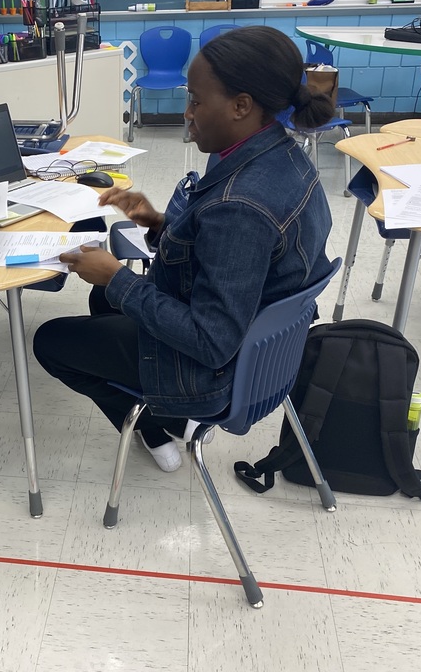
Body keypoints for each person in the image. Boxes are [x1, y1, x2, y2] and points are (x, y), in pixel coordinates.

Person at [33, 26, 335, 473]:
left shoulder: (242, 205)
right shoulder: (284, 157)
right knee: (102, 299)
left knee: (51, 340)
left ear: (241, 106)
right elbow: (226, 257)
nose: (187, 112)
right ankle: (165, 416)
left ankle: (163, 424)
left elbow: (211, 341)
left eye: (195, 99)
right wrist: (157, 225)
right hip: (262, 349)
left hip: (219, 374)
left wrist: (117, 277)